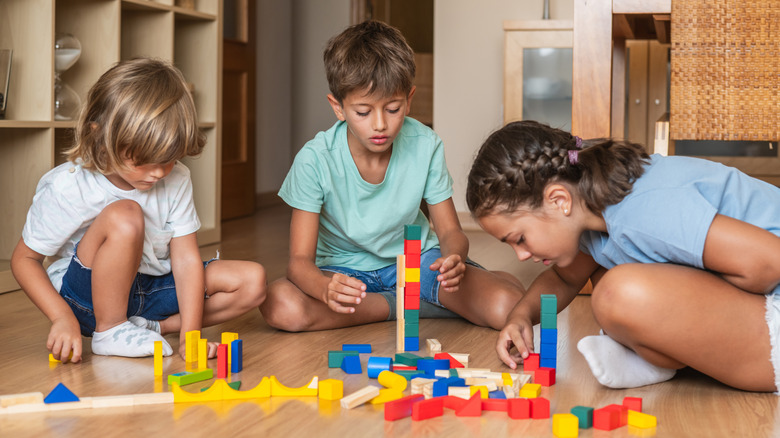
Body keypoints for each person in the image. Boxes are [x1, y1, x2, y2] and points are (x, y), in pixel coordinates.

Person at [466, 120, 780, 392]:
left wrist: (689, 294)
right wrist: (520, 318)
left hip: (773, 294)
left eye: (520, 239)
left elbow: (769, 261)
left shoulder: (647, 213)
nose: (521, 255)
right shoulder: (590, 214)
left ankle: (656, 359)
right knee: (610, 276)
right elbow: (564, 278)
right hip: (761, 295)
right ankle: (658, 361)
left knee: (619, 292)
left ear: (558, 199)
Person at [260, 20, 525, 332]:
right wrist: (323, 288)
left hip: (416, 265)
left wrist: (454, 258)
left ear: (409, 99)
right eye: (363, 112)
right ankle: (404, 305)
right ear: (338, 107)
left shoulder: (425, 144)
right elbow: (299, 263)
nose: (380, 125)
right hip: (342, 273)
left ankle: (408, 299)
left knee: (507, 304)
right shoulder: (314, 160)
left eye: (393, 108)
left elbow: (451, 232)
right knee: (280, 304)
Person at [11, 58, 266, 363]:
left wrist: (191, 334)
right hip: (84, 300)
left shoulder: (177, 177)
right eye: (144, 160)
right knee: (125, 214)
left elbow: (185, 259)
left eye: (168, 159)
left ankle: (152, 328)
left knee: (253, 280)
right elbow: (25, 259)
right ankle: (110, 331)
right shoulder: (67, 186)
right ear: (101, 137)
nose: (159, 173)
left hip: (147, 292)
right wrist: (61, 318)